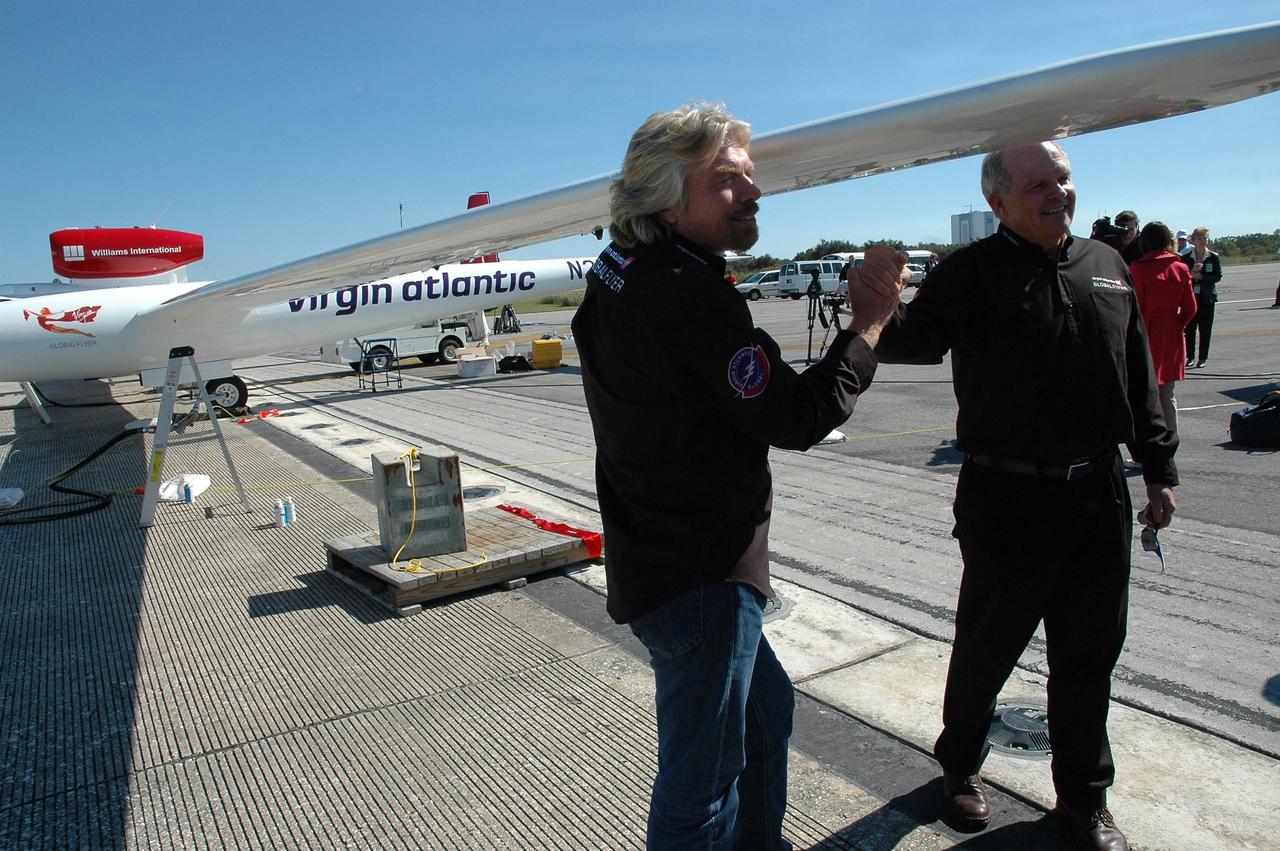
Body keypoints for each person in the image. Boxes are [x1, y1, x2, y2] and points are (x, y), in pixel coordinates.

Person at [571, 102, 901, 850]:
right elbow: (798, 416)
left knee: (767, 709)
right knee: (701, 787)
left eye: (750, 177)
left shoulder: (617, 270)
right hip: (702, 580)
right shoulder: (689, 295)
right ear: (665, 195)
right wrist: (869, 323)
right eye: (727, 180)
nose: (753, 193)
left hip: (651, 556)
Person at [858, 141, 1177, 851]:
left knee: (1089, 654)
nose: (1055, 192)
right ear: (998, 201)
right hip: (1007, 500)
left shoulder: (1108, 265)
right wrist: (875, 301)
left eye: (1061, 179)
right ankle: (960, 767)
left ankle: (1083, 801)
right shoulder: (970, 275)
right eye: (1037, 184)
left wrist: (1159, 469)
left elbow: (1139, 375)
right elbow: (910, 336)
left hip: (1098, 496)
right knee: (986, 647)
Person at [1130, 222, 1197, 437]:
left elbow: (1135, 307)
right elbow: (1190, 308)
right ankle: (1171, 440)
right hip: (1171, 334)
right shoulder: (1180, 267)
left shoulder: (1137, 269)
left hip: (1146, 332)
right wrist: (1177, 325)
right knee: (1167, 393)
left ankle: (1148, 446)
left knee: (1144, 394)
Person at [1182, 226, 1223, 368]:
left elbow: (1218, 276)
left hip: (1207, 299)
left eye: (1205, 238)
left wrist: (1202, 277)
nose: (1202, 241)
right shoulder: (1186, 258)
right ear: (1193, 240)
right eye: (1199, 238)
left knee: (1205, 329)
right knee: (1190, 329)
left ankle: (1202, 358)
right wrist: (1192, 274)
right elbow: (1182, 275)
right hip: (1191, 297)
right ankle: (1190, 357)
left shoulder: (1213, 257)